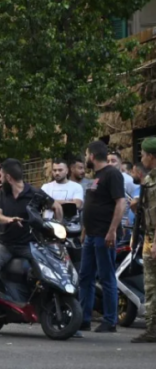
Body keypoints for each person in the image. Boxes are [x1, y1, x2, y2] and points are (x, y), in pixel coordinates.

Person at [0, 159, 60, 336]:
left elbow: (56, 206)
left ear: (9, 177)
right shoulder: (2, 194)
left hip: (29, 244)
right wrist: (9, 220)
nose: (0, 178)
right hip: (4, 243)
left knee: (49, 273)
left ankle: (58, 315)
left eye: (1, 175)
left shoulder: (35, 193)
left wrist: (56, 226)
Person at [77, 141, 127, 335]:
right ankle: (84, 318)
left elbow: (120, 203)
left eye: (86, 154)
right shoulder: (96, 177)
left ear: (91, 156)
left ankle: (110, 320)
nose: (84, 157)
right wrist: (84, 230)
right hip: (91, 234)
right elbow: (93, 204)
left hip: (104, 234)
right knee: (85, 277)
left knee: (106, 277)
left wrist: (112, 230)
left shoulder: (112, 174)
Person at [132, 138, 156, 343]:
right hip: (149, 236)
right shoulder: (149, 181)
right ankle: (152, 329)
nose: (141, 158)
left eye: (143, 154)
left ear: (151, 156)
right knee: (150, 286)